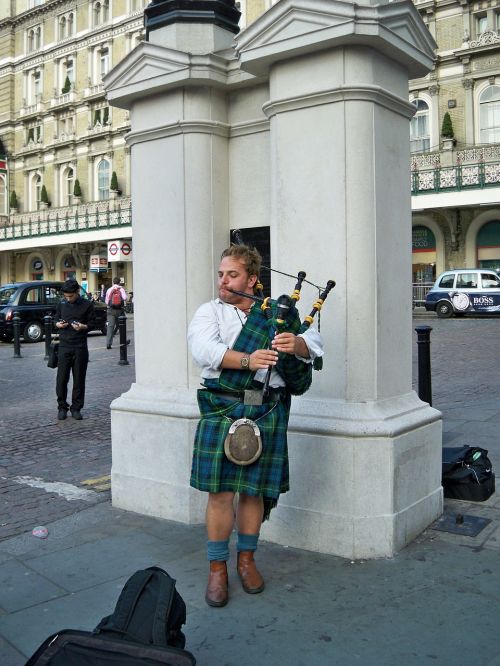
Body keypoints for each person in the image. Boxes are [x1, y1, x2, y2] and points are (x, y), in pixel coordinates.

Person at [188, 244, 323, 607]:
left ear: (251, 279)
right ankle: (217, 568)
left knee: (254, 493)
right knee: (219, 493)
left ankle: (246, 561)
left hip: (268, 410)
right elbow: (204, 350)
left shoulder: (276, 313)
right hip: (224, 408)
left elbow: (315, 346)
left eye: (231, 275)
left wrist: (297, 345)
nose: (223, 281)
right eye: (220, 274)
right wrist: (248, 359)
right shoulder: (210, 312)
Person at [54, 279, 96, 421]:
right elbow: (55, 320)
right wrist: (58, 324)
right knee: (61, 379)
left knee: (79, 379)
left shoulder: (87, 305)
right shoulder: (61, 304)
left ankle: (76, 408)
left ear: (77, 292)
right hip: (64, 346)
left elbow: (92, 323)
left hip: (80, 347)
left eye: (70, 296)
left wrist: (83, 327)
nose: (68, 299)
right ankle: (62, 407)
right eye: (66, 296)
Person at [104, 277, 127, 349]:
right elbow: (125, 298)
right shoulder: (121, 289)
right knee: (122, 326)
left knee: (110, 327)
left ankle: (108, 343)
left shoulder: (109, 290)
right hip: (120, 310)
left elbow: (106, 302)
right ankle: (123, 341)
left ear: (113, 282)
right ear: (119, 282)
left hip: (111, 310)